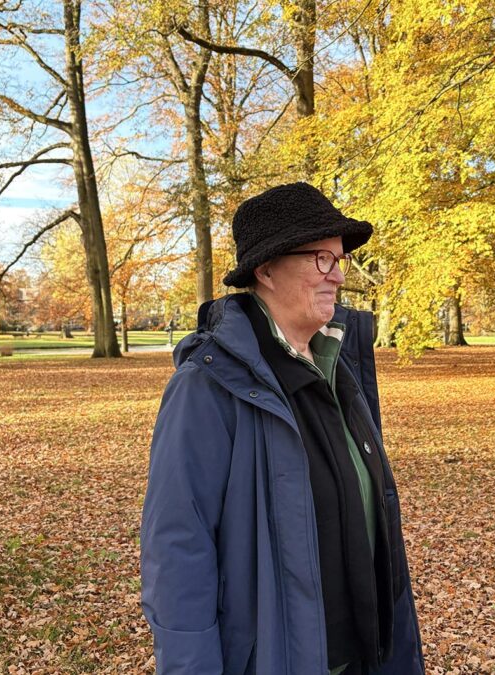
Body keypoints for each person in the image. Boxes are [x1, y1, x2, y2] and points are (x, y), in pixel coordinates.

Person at [141, 183, 425, 675]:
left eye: (339, 261)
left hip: (369, 654)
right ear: (266, 269)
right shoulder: (207, 388)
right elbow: (177, 552)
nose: (337, 276)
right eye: (321, 258)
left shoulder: (342, 365)